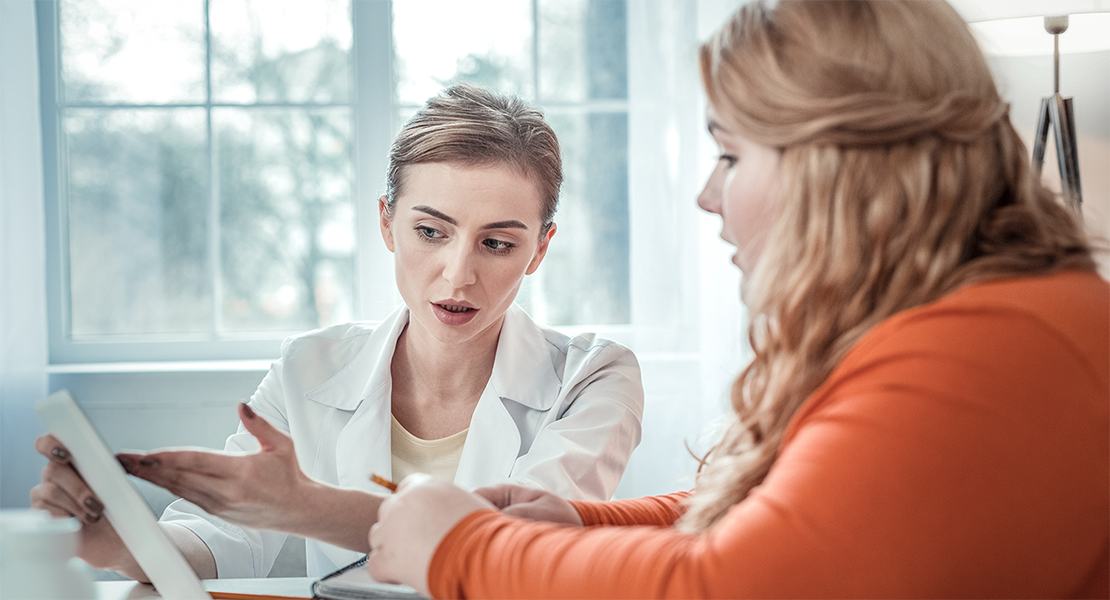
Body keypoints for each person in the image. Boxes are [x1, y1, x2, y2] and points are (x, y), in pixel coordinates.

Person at [362, 1, 1110, 598]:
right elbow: (781, 516)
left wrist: (463, 549)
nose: (707, 194)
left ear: (834, 167)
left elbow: (737, 582)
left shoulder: (995, 352)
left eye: (730, 154)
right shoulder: (957, 323)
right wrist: (582, 520)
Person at [30, 83, 645, 581]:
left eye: (498, 243)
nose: (458, 275)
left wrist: (304, 506)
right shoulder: (309, 367)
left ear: (540, 249)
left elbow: (516, 547)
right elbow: (219, 540)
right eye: (431, 232)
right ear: (386, 223)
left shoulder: (594, 378)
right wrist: (120, 545)